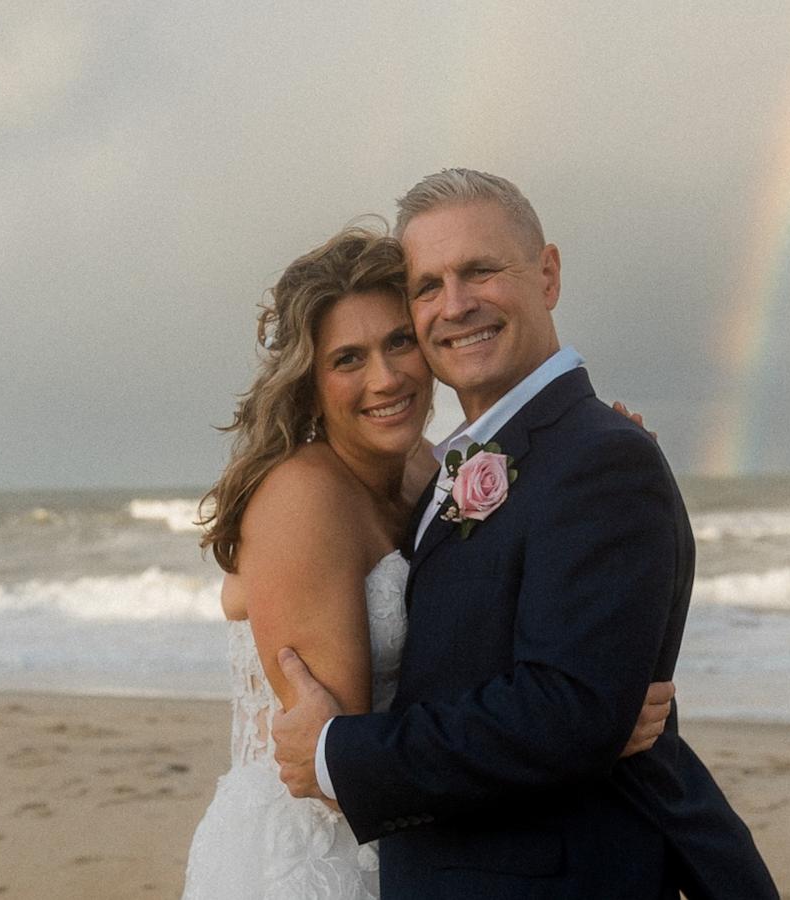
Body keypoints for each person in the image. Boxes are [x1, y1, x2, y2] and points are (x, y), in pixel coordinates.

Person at [271, 170, 780, 899]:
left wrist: (335, 755)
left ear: (547, 274)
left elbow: (566, 709)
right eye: (428, 286)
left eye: (481, 270)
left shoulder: (601, 456)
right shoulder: (449, 467)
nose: (456, 305)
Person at [181, 225, 673, 898]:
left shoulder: (439, 470)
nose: (385, 380)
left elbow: (516, 601)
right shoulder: (304, 497)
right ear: (310, 381)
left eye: (398, 342)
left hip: (425, 841)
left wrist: (586, 700)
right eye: (348, 359)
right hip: (316, 857)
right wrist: (577, 738)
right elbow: (335, 774)